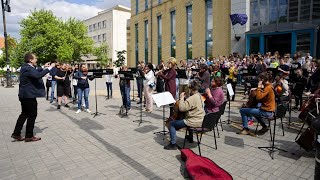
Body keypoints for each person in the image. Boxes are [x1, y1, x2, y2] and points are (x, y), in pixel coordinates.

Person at [12, 53, 55, 142]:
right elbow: (37, 75)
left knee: (24, 114)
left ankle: (16, 133)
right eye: (35, 58)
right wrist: (50, 68)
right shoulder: (27, 68)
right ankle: (29, 136)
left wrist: (43, 67)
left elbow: (35, 71)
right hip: (28, 96)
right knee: (32, 115)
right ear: (30, 60)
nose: (36, 60)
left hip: (25, 95)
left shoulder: (26, 67)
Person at [164, 79, 205, 150]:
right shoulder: (199, 96)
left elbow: (181, 108)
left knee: (171, 124)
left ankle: (173, 144)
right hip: (201, 120)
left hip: (193, 122)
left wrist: (181, 97)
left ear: (191, 88)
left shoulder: (192, 98)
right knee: (188, 115)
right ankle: (190, 138)